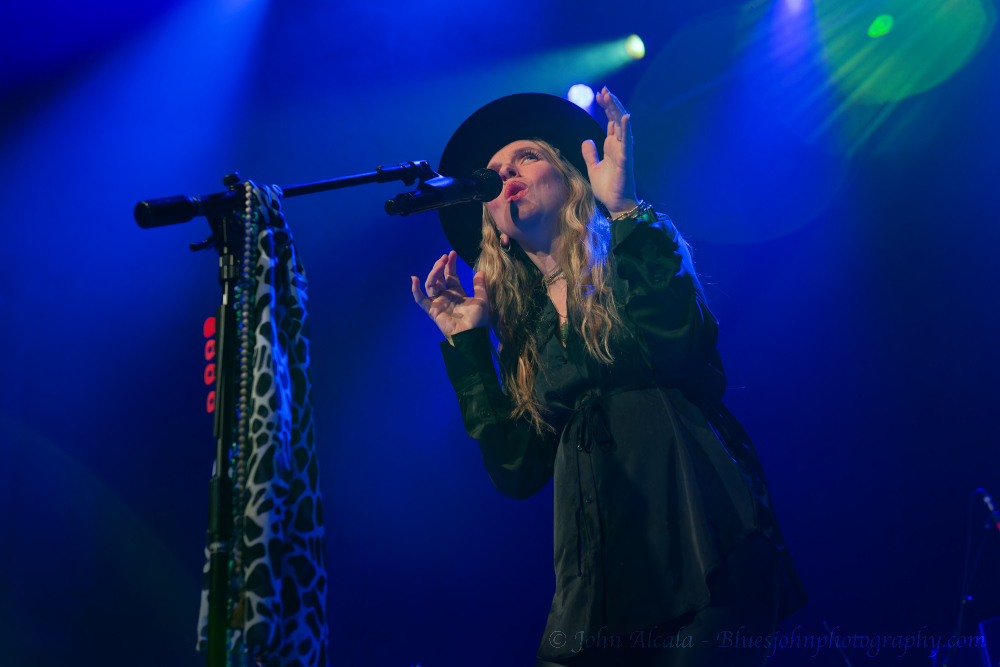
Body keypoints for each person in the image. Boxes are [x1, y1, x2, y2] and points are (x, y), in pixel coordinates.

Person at [410, 90, 807, 666]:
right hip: (597, 575)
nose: (505, 174)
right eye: (493, 174)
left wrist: (624, 211)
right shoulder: (528, 335)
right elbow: (517, 470)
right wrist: (467, 341)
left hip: (706, 538)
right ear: (492, 225)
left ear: (572, 179)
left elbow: (682, 349)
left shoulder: (629, 255)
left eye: (524, 157)